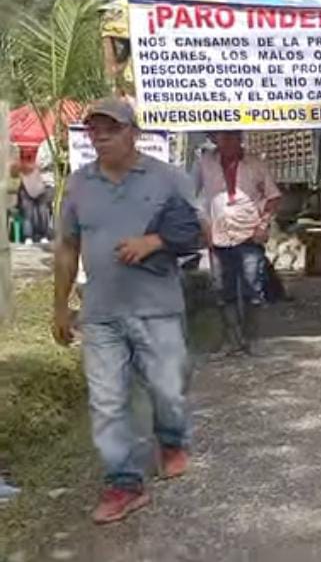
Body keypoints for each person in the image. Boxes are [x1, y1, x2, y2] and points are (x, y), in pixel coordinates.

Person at [53, 98, 200, 524]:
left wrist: (153, 242)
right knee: (107, 401)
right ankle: (124, 483)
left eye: (110, 129)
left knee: (168, 391)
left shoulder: (168, 178)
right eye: (94, 130)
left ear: (132, 132)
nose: (100, 136)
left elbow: (198, 233)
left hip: (158, 308)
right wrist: (60, 306)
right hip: (100, 312)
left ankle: (171, 440)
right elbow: (67, 247)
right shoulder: (79, 185)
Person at [195, 130, 282, 357]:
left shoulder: (255, 164)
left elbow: (273, 197)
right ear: (215, 139)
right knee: (223, 290)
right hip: (218, 235)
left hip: (249, 234)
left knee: (253, 287)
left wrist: (264, 224)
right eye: (223, 137)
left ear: (241, 138)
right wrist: (204, 227)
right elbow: (192, 197)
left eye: (233, 136)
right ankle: (231, 341)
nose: (228, 141)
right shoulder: (205, 163)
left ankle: (251, 339)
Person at [15, 140, 55, 244]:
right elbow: (38, 164)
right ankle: (31, 236)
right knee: (30, 210)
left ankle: (41, 235)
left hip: (45, 183)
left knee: (42, 210)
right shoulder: (46, 144)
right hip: (32, 181)